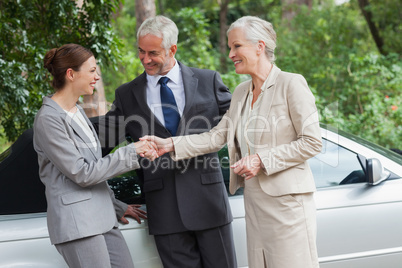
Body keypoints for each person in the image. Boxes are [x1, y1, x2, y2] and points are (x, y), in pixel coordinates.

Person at [142, 16, 323, 268]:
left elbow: (312, 142)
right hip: (255, 202)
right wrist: (170, 144)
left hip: (288, 206)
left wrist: (261, 160)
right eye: (230, 47)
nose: (231, 54)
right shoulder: (240, 92)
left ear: (260, 46)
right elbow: (217, 136)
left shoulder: (291, 84)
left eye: (236, 46)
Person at [94, 15, 237, 268]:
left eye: (153, 53)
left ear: (172, 49)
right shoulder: (127, 95)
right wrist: (113, 203)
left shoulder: (208, 81)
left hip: (210, 205)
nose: (145, 59)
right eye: (140, 51)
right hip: (164, 211)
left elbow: (241, 125)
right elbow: (98, 151)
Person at [33, 43, 157, 268]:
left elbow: (95, 165)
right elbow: (82, 173)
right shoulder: (48, 119)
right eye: (91, 71)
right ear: (71, 74)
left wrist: (117, 206)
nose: (97, 76)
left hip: (103, 219)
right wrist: (131, 152)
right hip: (78, 224)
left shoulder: (77, 110)